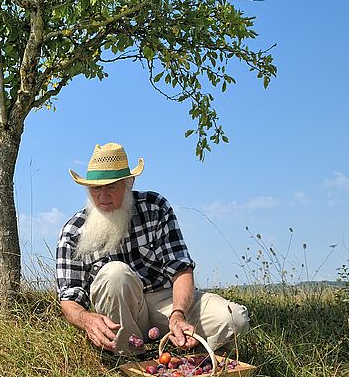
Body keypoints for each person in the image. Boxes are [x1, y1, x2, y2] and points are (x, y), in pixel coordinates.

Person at [55, 142, 250, 357]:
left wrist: (177, 314)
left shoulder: (155, 207)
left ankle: (189, 354)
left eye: (111, 186)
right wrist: (86, 320)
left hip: (165, 302)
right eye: (95, 188)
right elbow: (69, 297)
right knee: (115, 273)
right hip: (122, 316)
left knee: (234, 319)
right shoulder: (73, 231)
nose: (102, 196)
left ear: (129, 183)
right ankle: (129, 357)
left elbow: (180, 268)